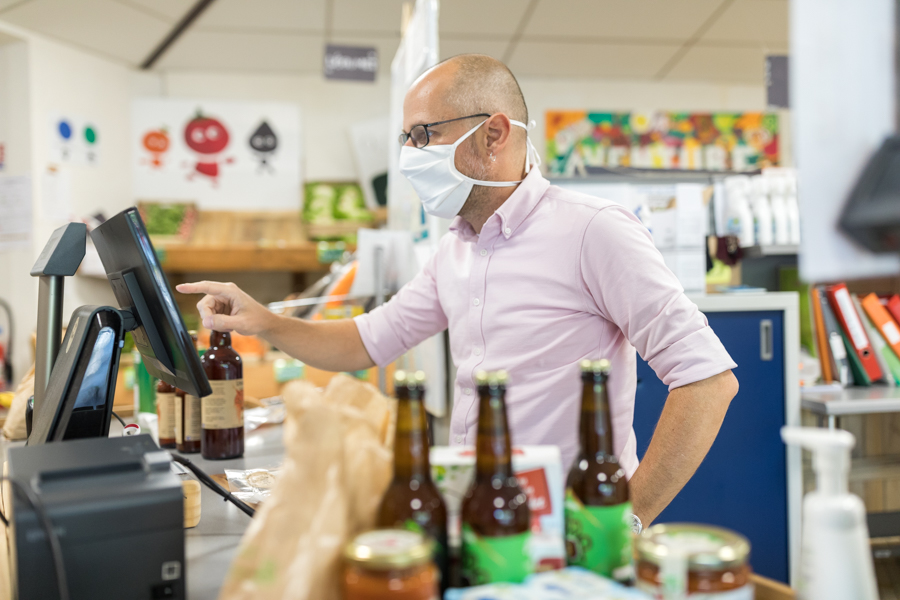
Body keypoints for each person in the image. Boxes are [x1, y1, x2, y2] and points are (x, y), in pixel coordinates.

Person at [177, 54, 738, 529]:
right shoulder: (456, 247)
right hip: (478, 517)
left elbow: (707, 380)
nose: (409, 156)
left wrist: (625, 523)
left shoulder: (594, 230)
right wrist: (265, 322)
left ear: (493, 134)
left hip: (569, 527)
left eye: (425, 135)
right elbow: (367, 341)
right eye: (407, 138)